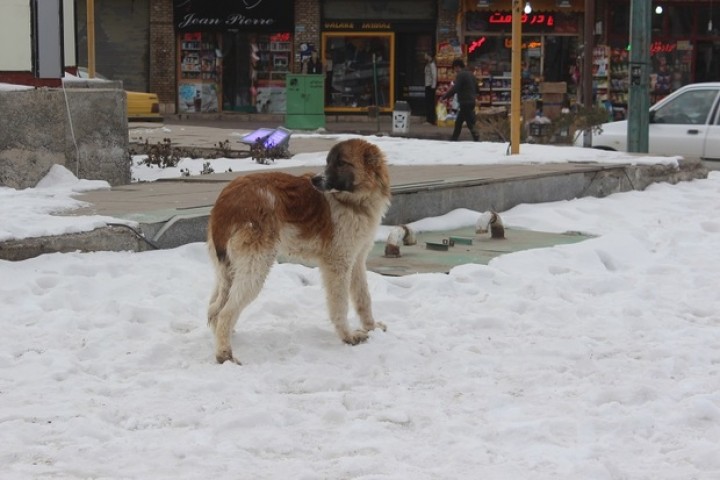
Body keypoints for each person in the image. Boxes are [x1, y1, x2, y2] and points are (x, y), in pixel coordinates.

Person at [440, 59, 480, 141]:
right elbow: (477, 88)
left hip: (465, 101)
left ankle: (477, 137)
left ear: (457, 67)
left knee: (469, 123)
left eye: (454, 69)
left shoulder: (461, 75)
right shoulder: (471, 74)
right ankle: (454, 138)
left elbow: (455, 88)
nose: (455, 71)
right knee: (459, 122)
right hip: (471, 101)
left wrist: (444, 97)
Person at [424, 52, 438, 125]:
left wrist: (433, 86)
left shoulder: (432, 65)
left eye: (426, 55)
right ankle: (429, 119)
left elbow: (434, 75)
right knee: (428, 103)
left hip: (430, 86)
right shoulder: (428, 64)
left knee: (430, 103)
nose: (424, 57)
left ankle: (430, 120)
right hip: (428, 85)